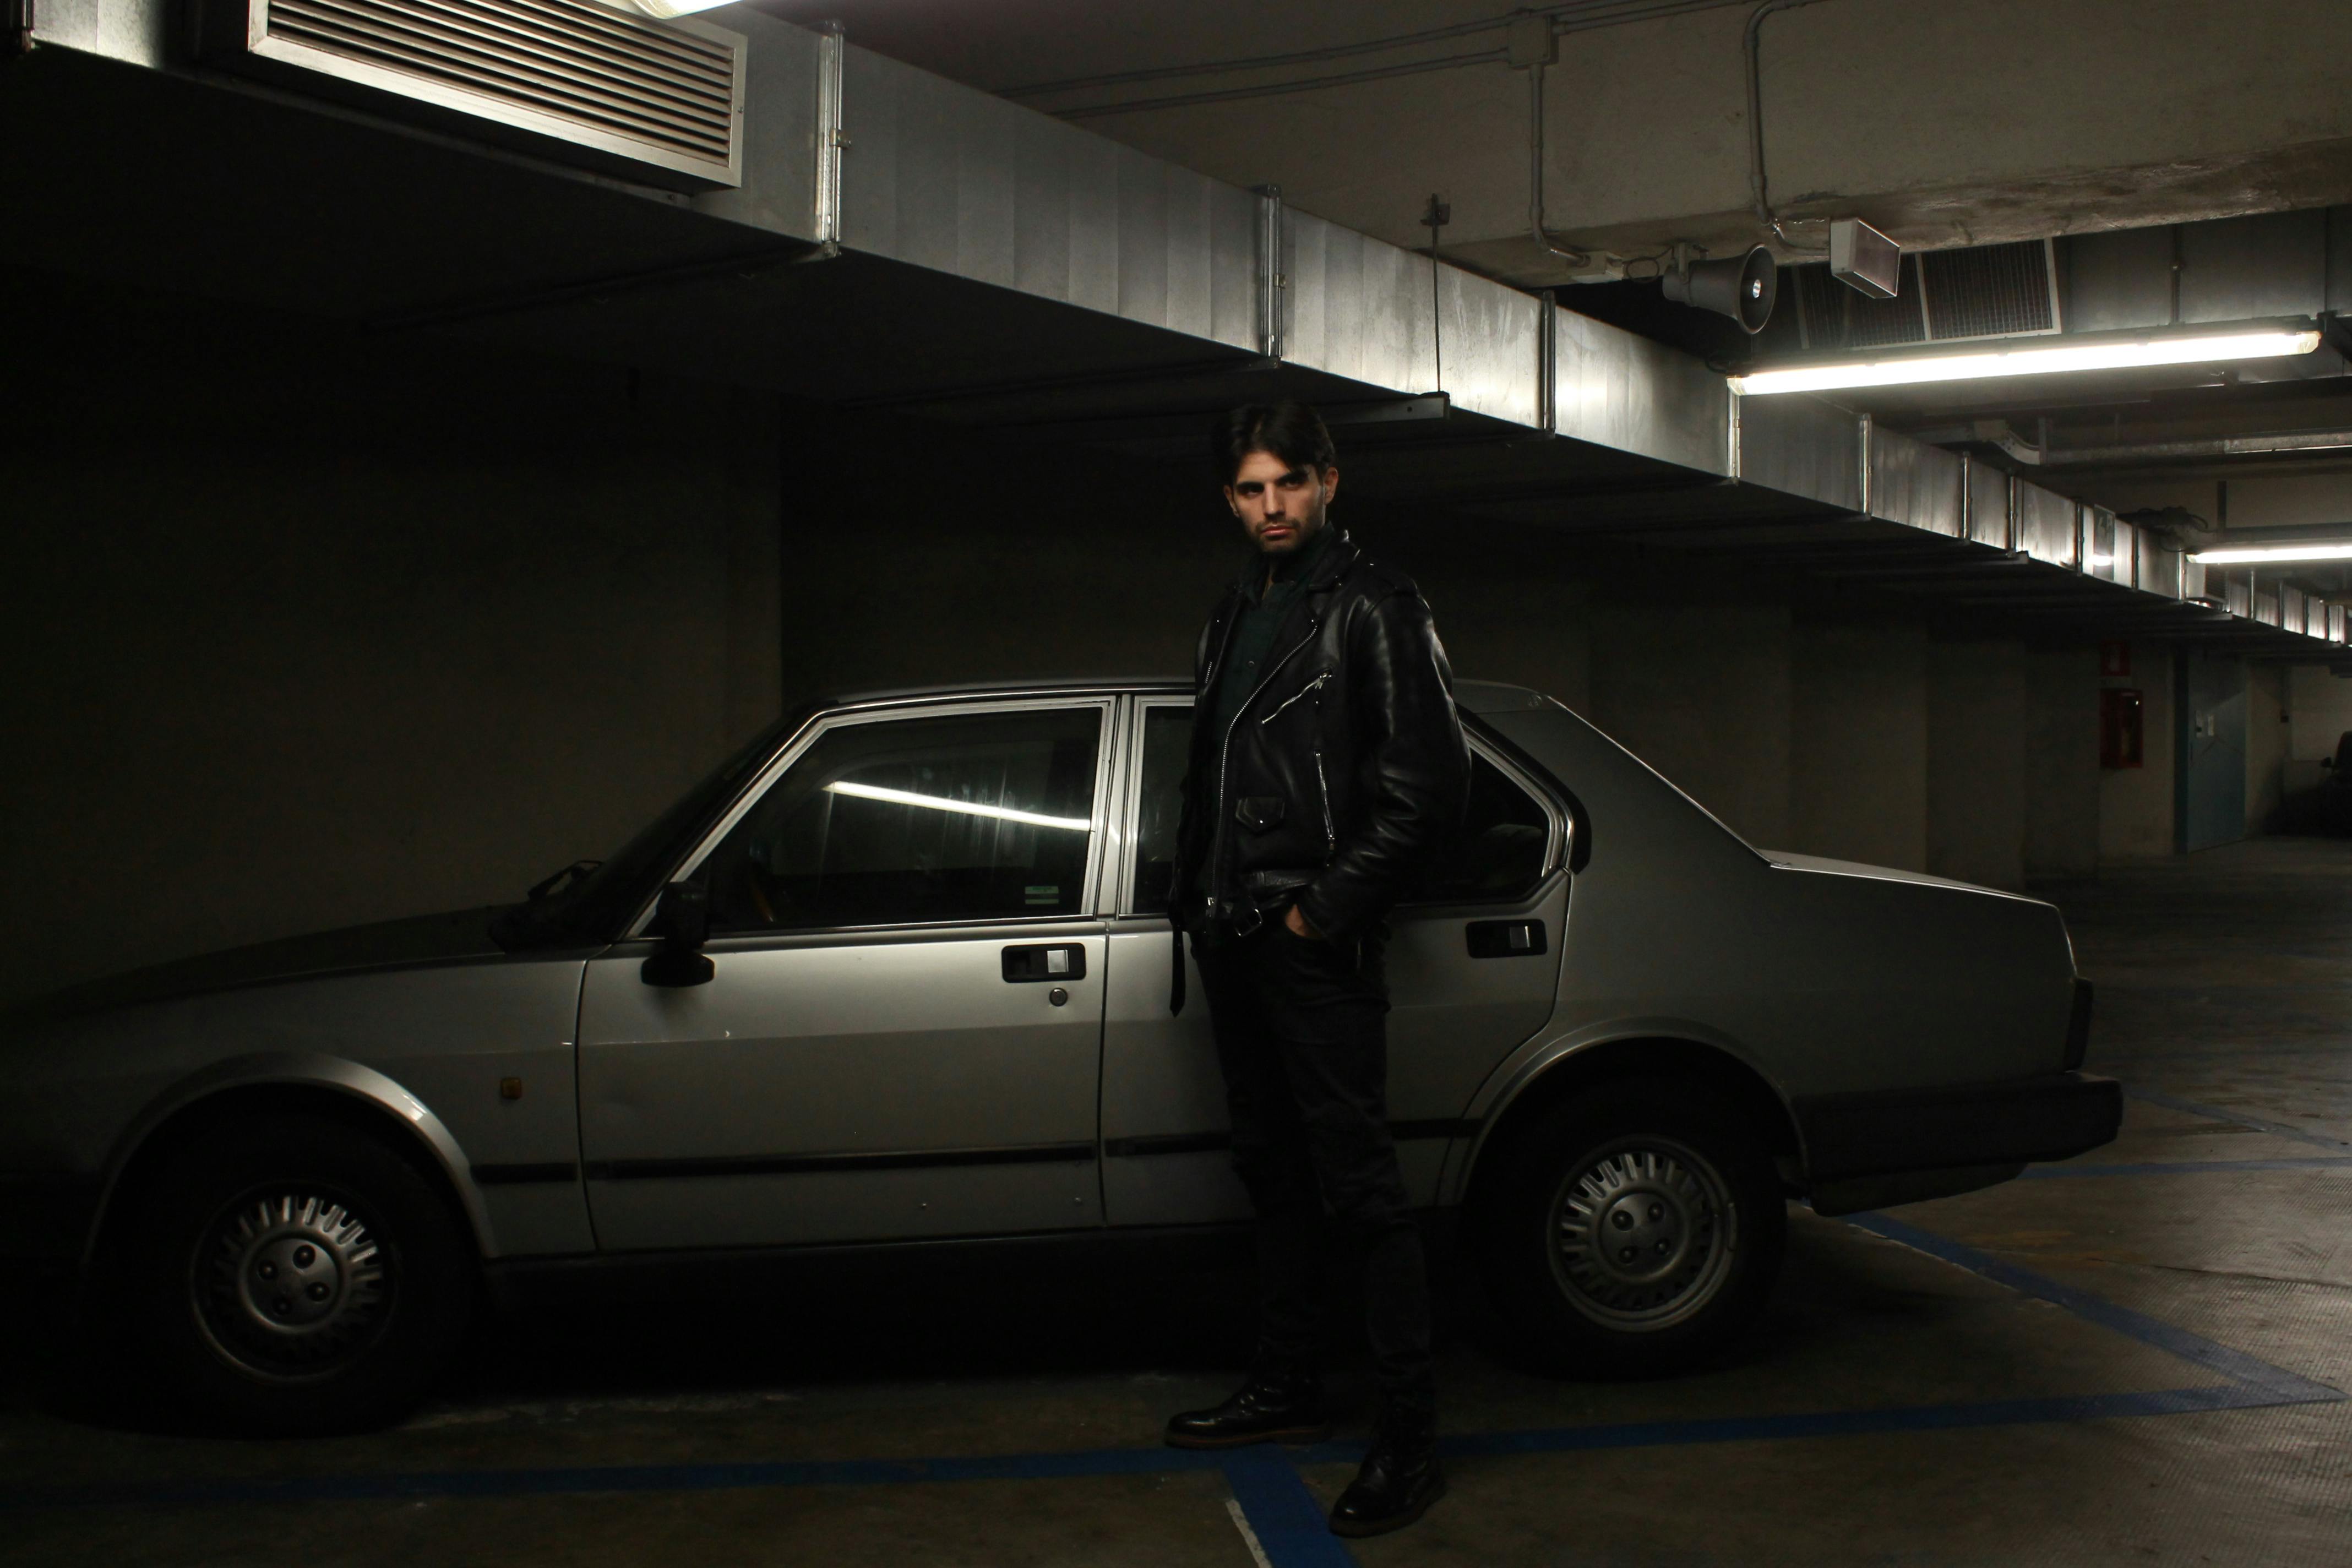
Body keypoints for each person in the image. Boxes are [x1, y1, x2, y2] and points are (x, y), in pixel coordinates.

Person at [1163, 400, 1470, 1538]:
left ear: (1329, 481)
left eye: (1289, 483)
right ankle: (1288, 1382)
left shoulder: (1377, 606)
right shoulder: (1235, 606)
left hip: (1309, 945)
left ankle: (1411, 1437)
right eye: (1249, 489)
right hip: (1233, 937)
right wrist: (1202, 906)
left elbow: (1425, 792)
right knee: (1273, 1170)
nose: (1271, 507)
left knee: (1360, 1188)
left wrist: (1315, 917)